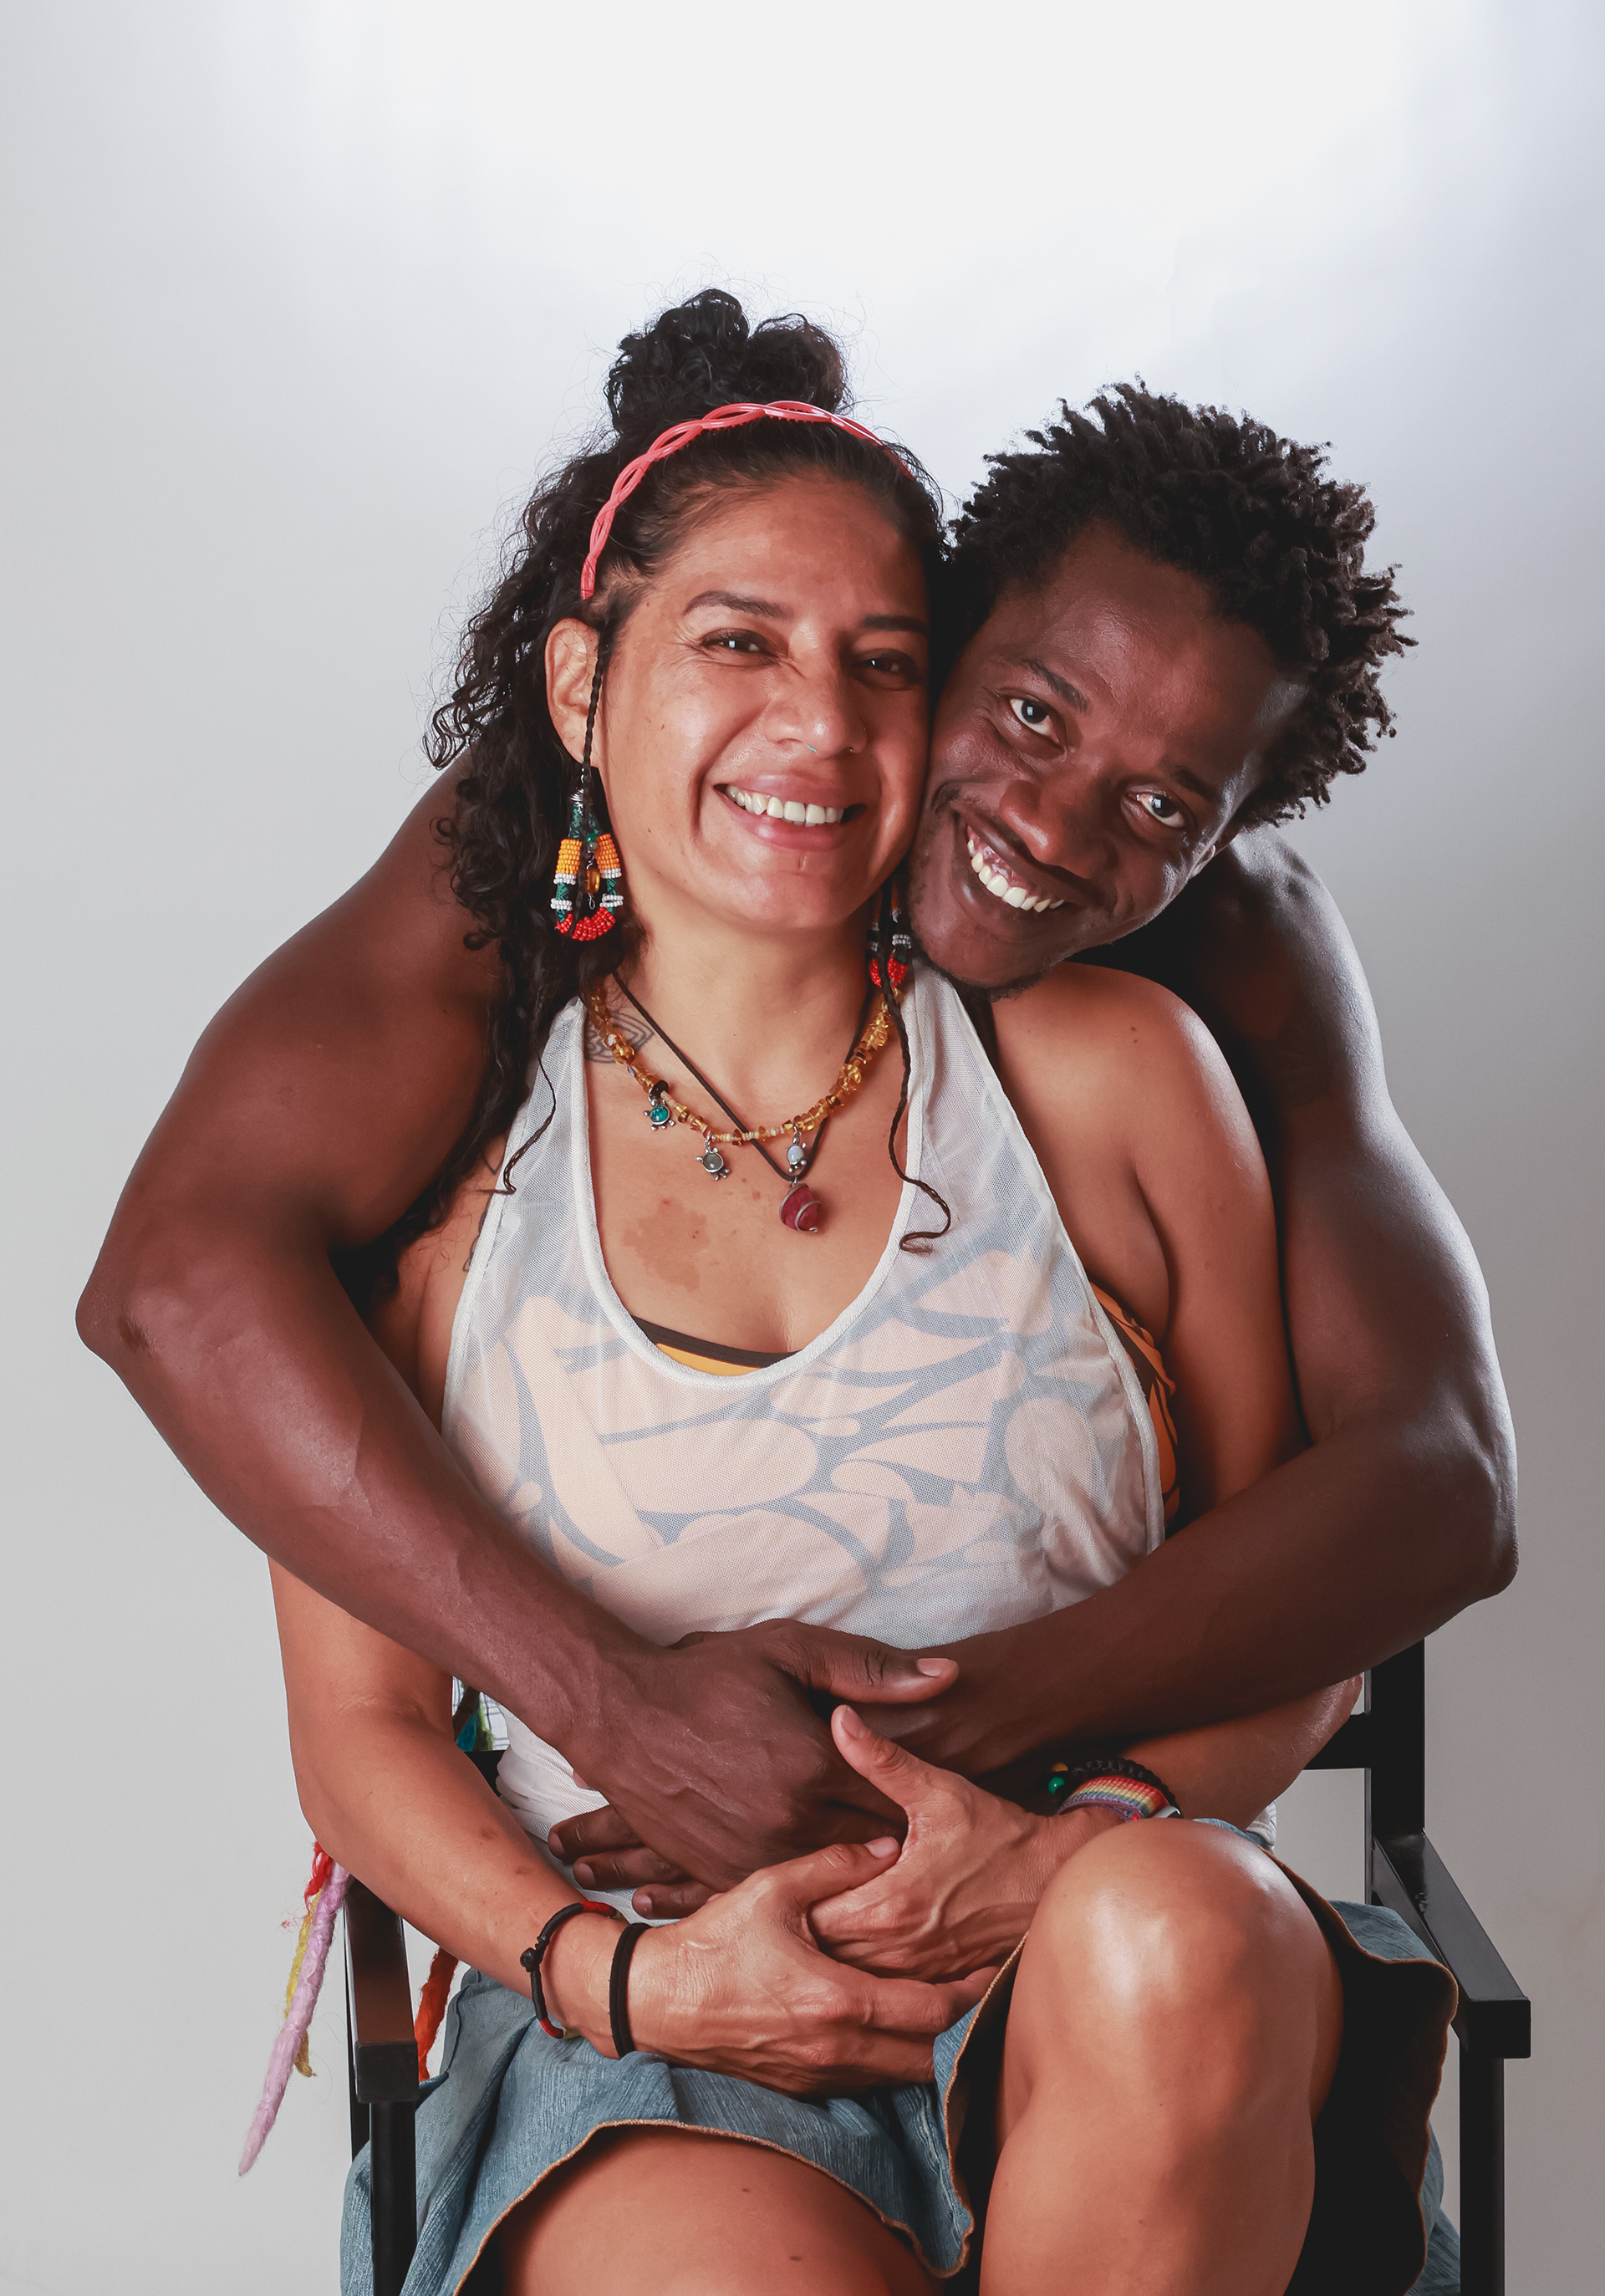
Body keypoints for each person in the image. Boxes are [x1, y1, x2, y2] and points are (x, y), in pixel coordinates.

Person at [265, 304, 1454, 2296]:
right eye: (737, 644)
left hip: (1116, 1980)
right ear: (584, 686)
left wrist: (1066, 1834)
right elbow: (360, 1729)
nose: (813, 724)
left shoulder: (1119, 1078)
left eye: (879, 664)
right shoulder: (445, 1142)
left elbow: (1303, 1617)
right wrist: (627, 1980)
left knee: (1170, 1926)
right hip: (664, 2030)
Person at [76, 293, 1516, 1895]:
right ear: (951, 638)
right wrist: (617, 1712)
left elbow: (1443, 1487)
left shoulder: (1228, 958)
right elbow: (171, 1284)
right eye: (1029, 714)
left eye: (1163, 804)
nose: (1050, 825)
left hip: (1088, 1894)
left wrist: (933, 1743)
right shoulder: (584, 801)